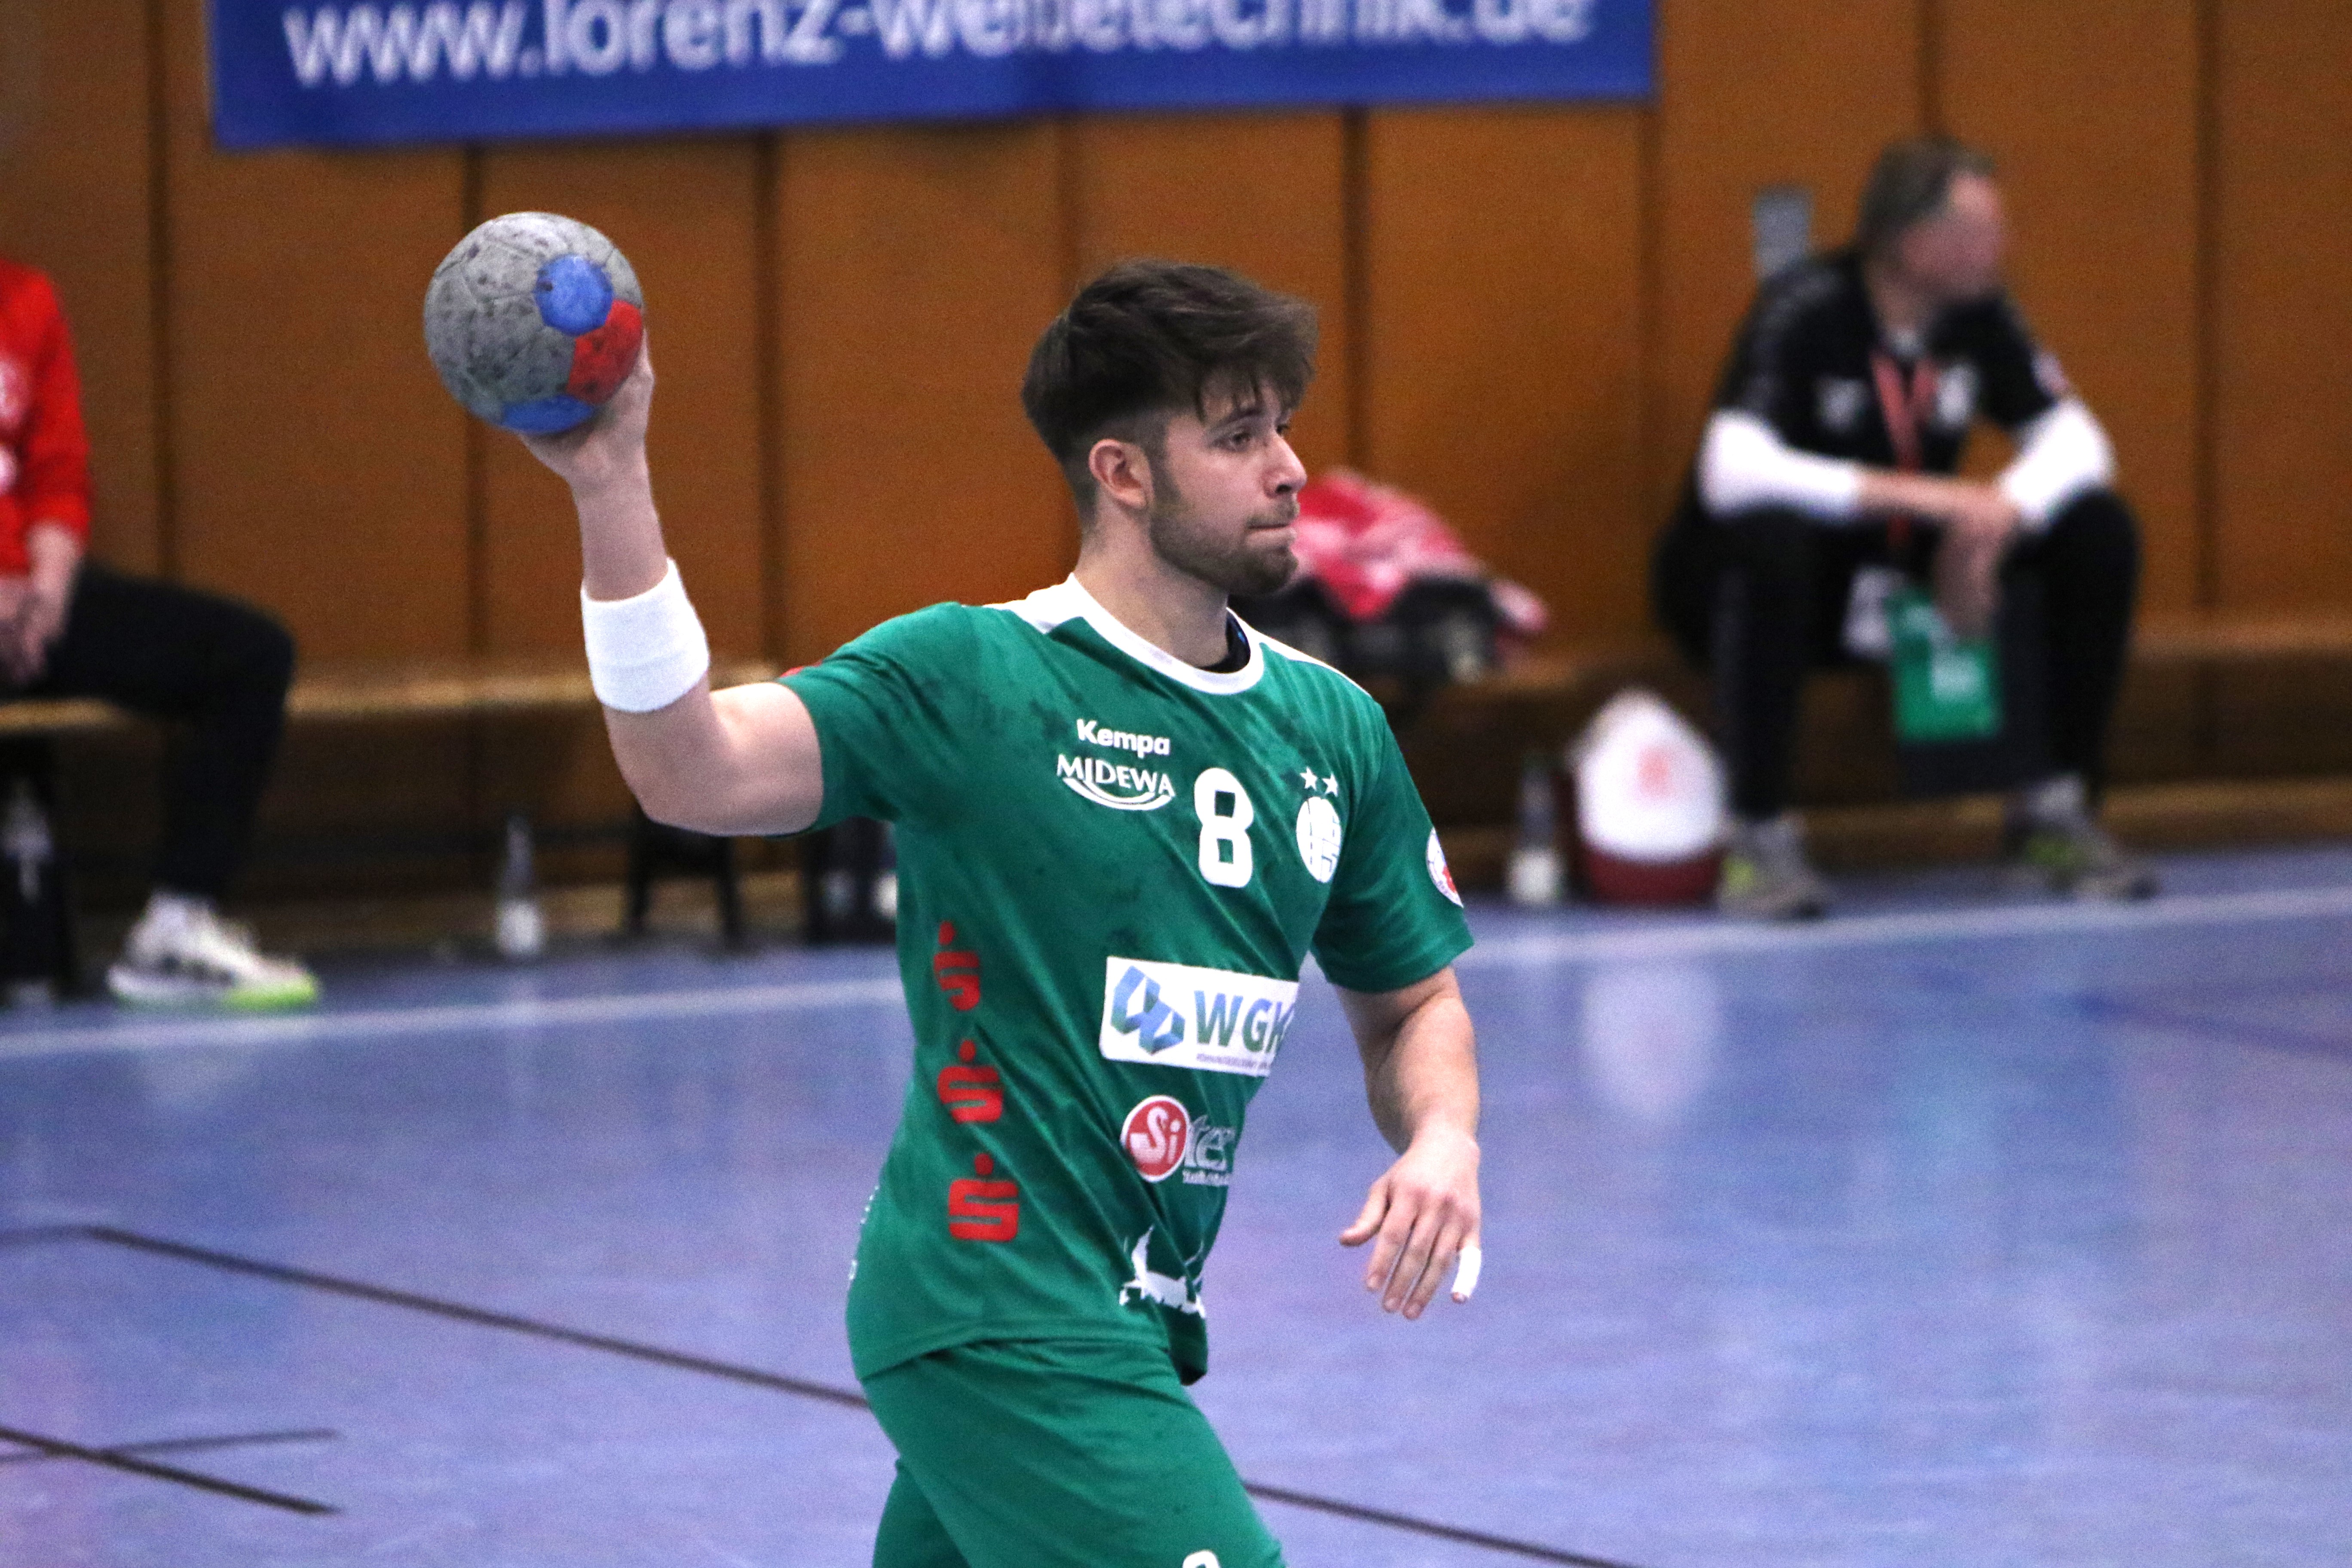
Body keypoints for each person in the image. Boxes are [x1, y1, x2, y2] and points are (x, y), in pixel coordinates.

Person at [524, 260, 1484, 1568]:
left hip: (1127, 1311)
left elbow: (1415, 1002)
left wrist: (1442, 1136)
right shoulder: (976, 678)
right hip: (1000, 1306)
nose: (1291, 469)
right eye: (1238, 436)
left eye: (1283, 427)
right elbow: (688, 772)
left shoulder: (1333, 729)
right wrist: (610, 483)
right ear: (1123, 473)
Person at [1652, 136, 2156, 919]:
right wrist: (1929, 500)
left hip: (1915, 579)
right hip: (1782, 584)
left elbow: (2081, 442)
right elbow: (1732, 467)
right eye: (1978, 232)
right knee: (1772, 540)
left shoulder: (1980, 316)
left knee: (2097, 530)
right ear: (1911, 240)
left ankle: (2053, 808)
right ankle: (1758, 836)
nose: (2001, 249)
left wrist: (1997, 517)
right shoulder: (1806, 305)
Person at [0, 254, 315, 1005]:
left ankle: (175, 927)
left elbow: (57, 470)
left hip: (27, 600)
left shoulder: (25, 298)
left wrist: (47, 589)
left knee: (246, 654)